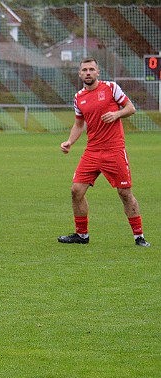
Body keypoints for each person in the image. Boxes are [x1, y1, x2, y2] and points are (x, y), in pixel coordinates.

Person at [58, 57, 150, 247]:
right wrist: (70, 142)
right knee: (76, 191)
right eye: (84, 70)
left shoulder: (111, 88)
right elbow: (78, 124)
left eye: (92, 69)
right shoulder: (78, 97)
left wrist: (116, 114)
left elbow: (130, 108)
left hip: (114, 150)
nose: (88, 72)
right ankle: (81, 235)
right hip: (92, 151)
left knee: (124, 193)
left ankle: (139, 237)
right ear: (80, 74)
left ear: (98, 72)